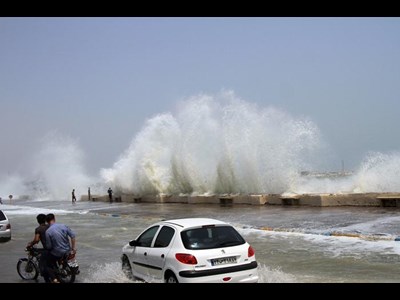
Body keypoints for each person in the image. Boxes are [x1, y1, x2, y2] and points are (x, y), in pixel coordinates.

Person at [45, 213, 76, 283]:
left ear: (47, 222)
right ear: (54, 219)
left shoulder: (48, 232)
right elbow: (73, 236)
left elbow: (49, 246)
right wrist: (73, 248)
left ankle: (54, 279)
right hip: (67, 251)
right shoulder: (64, 226)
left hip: (57, 253)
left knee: (47, 263)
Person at [27, 214, 50, 282]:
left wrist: (30, 244)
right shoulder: (49, 226)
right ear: (45, 220)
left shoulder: (38, 229)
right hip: (54, 247)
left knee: (41, 264)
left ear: (38, 221)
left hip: (47, 249)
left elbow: (36, 240)